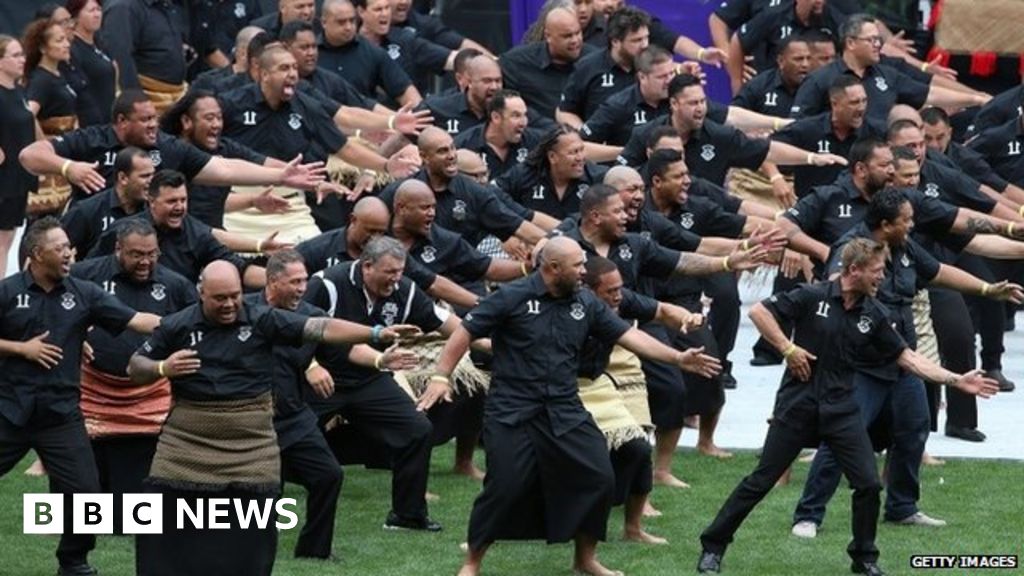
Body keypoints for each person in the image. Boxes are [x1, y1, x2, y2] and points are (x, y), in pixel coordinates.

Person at [696, 237, 1000, 576]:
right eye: (876, 271)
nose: (882, 277)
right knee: (761, 480)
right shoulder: (813, 296)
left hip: (841, 408)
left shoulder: (875, 313)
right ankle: (713, 546)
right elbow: (759, 311)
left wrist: (955, 380)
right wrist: (787, 349)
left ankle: (864, 557)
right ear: (853, 270)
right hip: (798, 405)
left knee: (868, 484)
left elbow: (907, 358)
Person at [420, 236, 721, 576]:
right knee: (506, 485)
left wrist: (677, 357)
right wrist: (441, 376)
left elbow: (629, 336)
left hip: (564, 407)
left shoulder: (585, 303)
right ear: (552, 268)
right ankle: (472, 562)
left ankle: (585, 560)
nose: (583, 271)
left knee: (598, 477)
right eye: (577, 265)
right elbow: (465, 332)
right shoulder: (511, 296)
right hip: (512, 408)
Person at [127, 258, 418, 575]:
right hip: (187, 443)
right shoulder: (178, 325)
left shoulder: (261, 318)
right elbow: (135, 366)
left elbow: (320, 327)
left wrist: (376, 333)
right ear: (201, 294)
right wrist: (162, 368)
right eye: (220, 298)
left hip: (251, 444)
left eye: (235, 296)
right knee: (164, 519)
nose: (229, 304)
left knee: (253, 529)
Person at [789, 188, 1024, 539]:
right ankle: (808, 515)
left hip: (902, 363)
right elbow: (832, 298)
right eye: (906, 220)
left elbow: (937, 271)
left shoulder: (904, 247)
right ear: (885, 225)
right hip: (862, 366)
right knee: (845, 438)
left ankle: (902, 508)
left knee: (914, 429)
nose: (912, 225)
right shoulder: (851, 250)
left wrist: (988, 290)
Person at [0, 216, 161, 576]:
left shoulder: (83, 293)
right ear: (37, 254)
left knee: (86, 493)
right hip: (9, 410)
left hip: (61, 415)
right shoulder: (8, 293)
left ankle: (74, 561)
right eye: (59, 248)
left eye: (69, 247)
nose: (69, 254)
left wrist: (189, 321)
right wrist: (20, 349)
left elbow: (136, 320)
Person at [302, 236, 455, 532]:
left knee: (417, 430)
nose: (396, 280)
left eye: (400, 271)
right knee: (286, 436)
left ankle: (407, 516)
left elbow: (451, 325)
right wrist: (311, 365)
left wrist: (488, 341)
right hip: (320, 376)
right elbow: (292, 327)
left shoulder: (405, 290)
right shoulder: (327, 284)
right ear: (367, 266)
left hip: (368, 380)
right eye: (390, 272)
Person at [70, 218, 196, 533]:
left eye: (152, 254)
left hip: (148, 398)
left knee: (130, 512)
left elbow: (195, 329)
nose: (145, 261)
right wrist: (75, 336)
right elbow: (58, 311)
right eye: (137, 254)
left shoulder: (176, 285)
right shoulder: (86, 275)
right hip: (93, 393)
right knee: (86, 483)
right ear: (118, 249)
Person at [317, 0, 421, 107]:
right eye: (341, 22)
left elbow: (406, 91)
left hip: (365, 120)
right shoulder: (311, 54)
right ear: (324, 22)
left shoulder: (371, 52)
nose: (348, 27)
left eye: (352, 21)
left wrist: (419, 116)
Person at [23, 17, 78, 216]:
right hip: (53, 154)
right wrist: (44, 144)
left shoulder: (57, 75)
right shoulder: (41, 80)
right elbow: (29, 114)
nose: (66, 44)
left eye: (66, 39)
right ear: (43, 48)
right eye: (59, 40)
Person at [500, 6, 593, 119]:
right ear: (548, 36)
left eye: (578, 33)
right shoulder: (516, 63)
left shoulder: (595, 60)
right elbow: (507, 108)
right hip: (536, 133)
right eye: (567, 36)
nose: (575, 40)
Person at [61, 146, 153, 256]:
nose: (152, 181)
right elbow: (56, 247)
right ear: (123, 178)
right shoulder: (87, 210)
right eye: (145, 176)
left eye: (153, 175)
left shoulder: (154, 210)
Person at [100, 0, 189, 110]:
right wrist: (137, 102)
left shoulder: (165, 4)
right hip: (147, 102)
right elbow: (121, 59)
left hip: (177, 96)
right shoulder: (123, 7)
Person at [0, 35, 39, 275]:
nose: (22, 60)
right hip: (3, 178)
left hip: (19, 175)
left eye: (22, 54)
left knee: (9, 237)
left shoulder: (19, 91)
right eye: (15, 55)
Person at [64, 0, 116, 128]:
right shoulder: (72, 48)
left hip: (109, 117)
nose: (97, 14)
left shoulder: (100, 44)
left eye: (99, 9)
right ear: (76, 15)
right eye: (91, 10)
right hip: (91, 123)